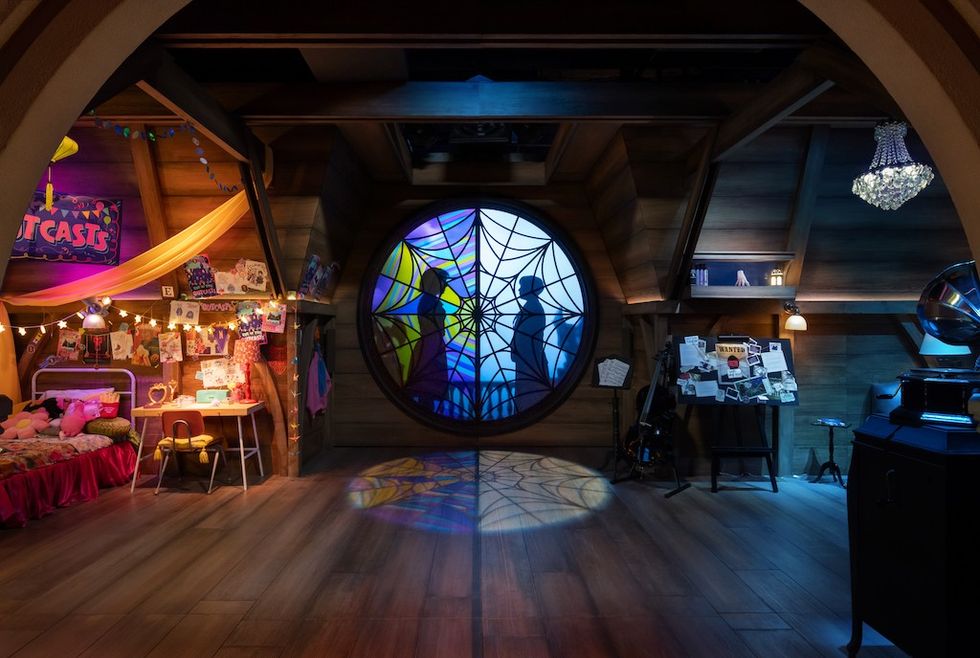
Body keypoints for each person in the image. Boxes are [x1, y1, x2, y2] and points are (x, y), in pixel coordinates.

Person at [407, 268, 451, 412]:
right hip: (431, 346)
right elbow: (435, 325)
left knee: (426, 388)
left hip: (430, 344)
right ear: (434, 282)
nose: (445, 286)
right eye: (443, 282)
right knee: (427, 384)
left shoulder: (427, 301)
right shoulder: (430, 302)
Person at [510, 275, 549, 412]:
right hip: (529, 360)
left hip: (530, 361)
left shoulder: (533, 308)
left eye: (522, 286)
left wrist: (516, 350)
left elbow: (525, 337)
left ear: (530, 288)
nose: (519, 289)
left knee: (529, 399)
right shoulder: (532, 307)